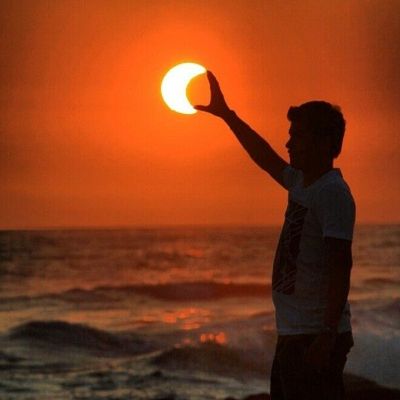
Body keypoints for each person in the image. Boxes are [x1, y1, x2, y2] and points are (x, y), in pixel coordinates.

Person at [194, 71, 356, 400]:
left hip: (313, 335)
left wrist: (326, 337)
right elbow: (266, 158)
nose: (289, 143)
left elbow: (341, 265)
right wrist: (228, 116)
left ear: (324, 142)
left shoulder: (332, 193)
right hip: (294, 333)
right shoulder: (302, 183)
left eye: (297, 136)